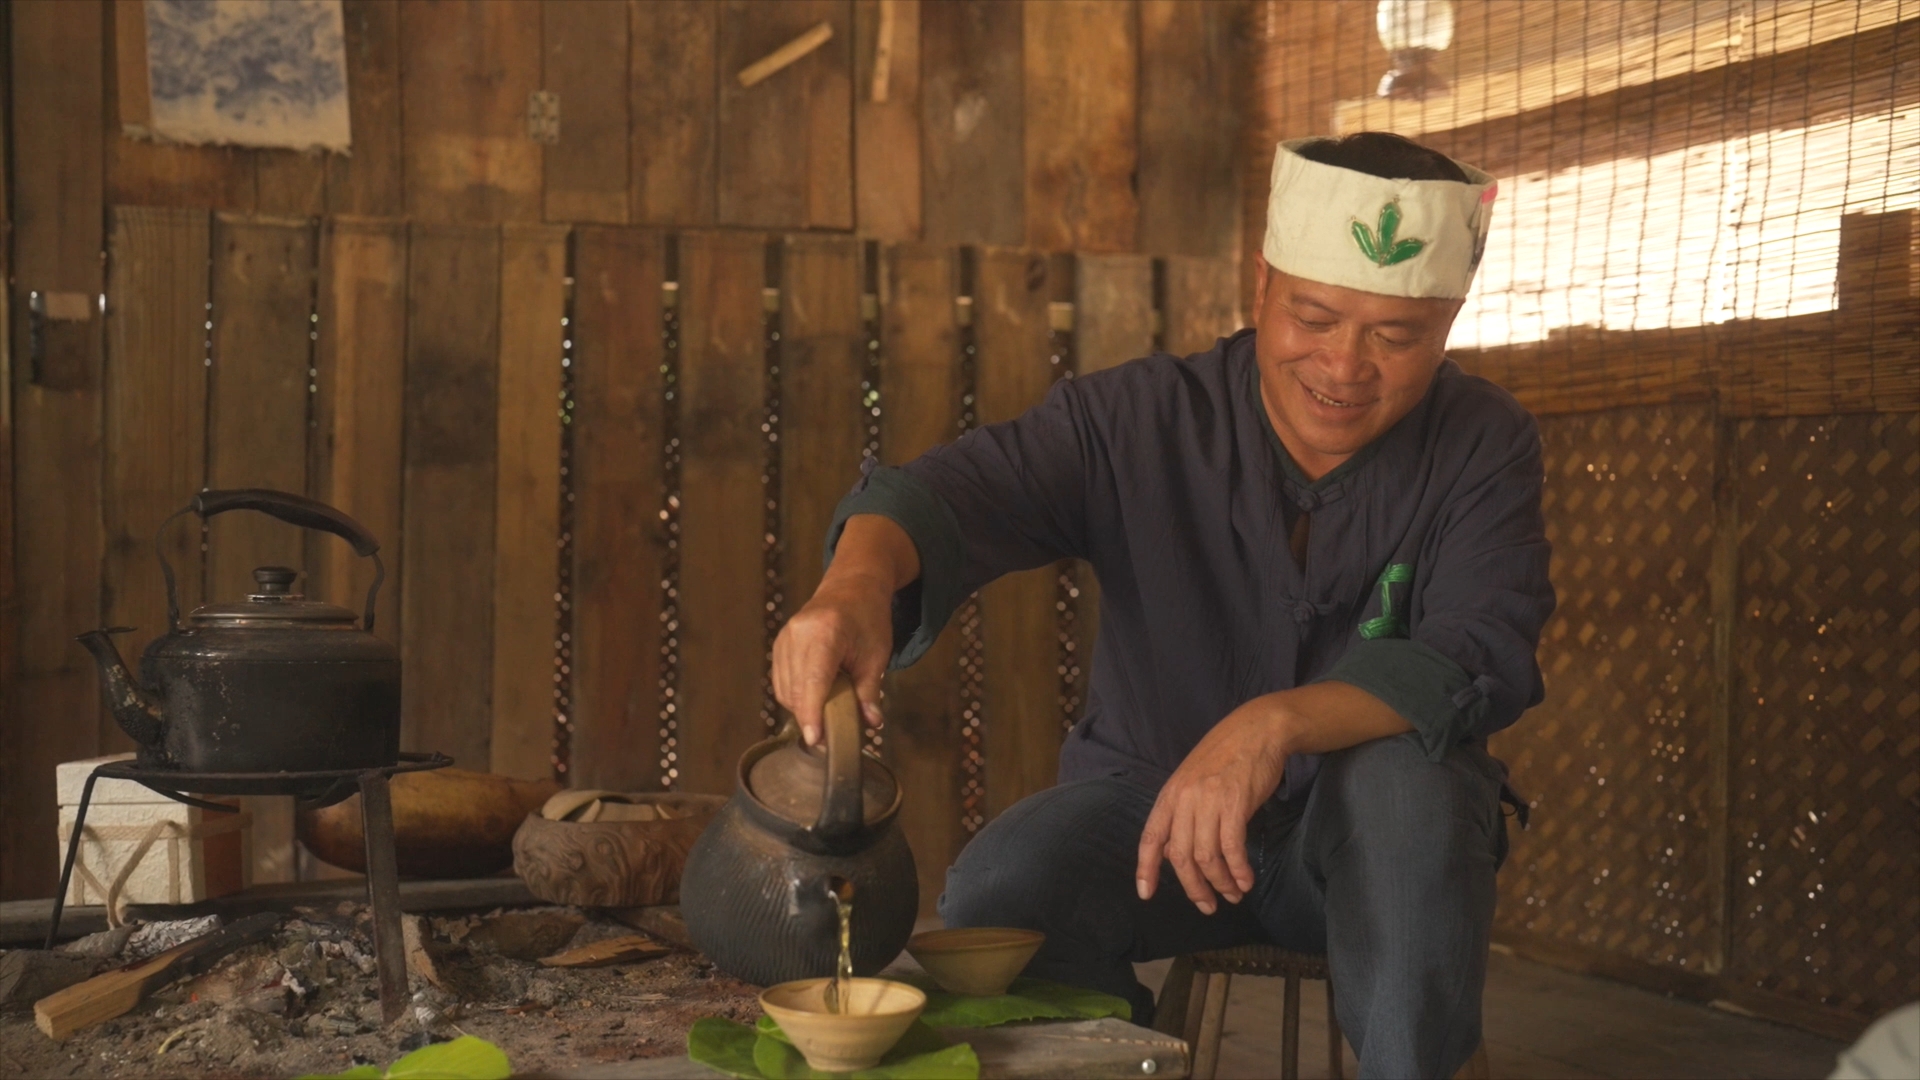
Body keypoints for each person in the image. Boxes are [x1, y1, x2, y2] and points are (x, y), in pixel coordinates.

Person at [771, 131, 1554, 1079]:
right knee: (1003, 889)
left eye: (1396, 336)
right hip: (1156, 823)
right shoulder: (1138, 418)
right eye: (1314, 317)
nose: (1345, 367)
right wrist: (852, 588)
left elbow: (1477, 647)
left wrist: (1273, 726)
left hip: (1361, 844)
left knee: (1409, 788)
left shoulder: (1483, 443)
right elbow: (951, 495)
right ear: (1260, 284)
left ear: (1448, 322)